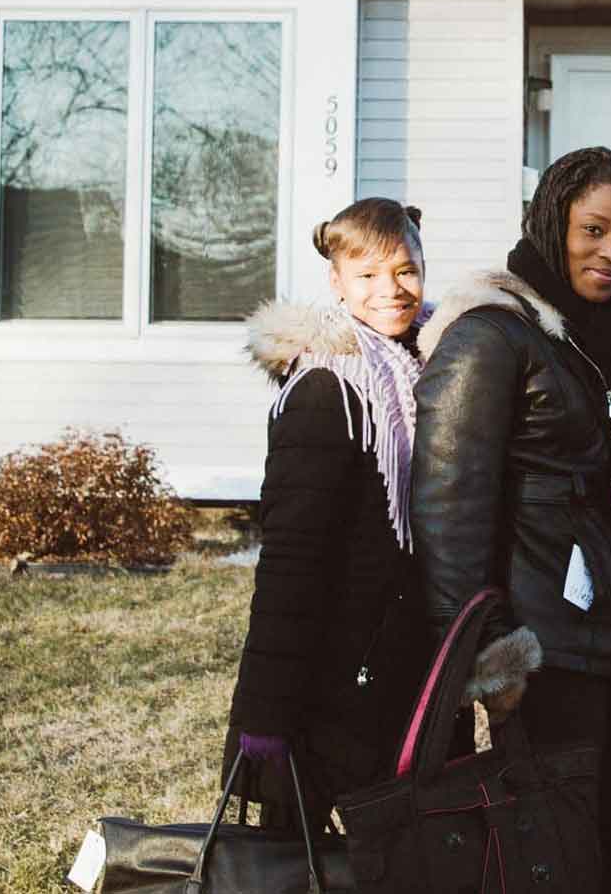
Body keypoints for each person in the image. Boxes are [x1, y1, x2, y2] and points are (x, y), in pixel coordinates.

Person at [411, 146, 611, 892]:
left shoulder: (590, 335)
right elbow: (446, 507)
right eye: (593, 230)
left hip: (597, 639)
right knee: (556, 850)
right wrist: (486, 659)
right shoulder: (490, 335)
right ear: (552, 225)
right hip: (537, 650)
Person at [225, 198, 433, 819]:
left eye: (405, 270)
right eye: (367, 274)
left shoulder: (429, 371)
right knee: (302, 861)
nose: (389, 290)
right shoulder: (327, 388)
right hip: (332, 684)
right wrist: (262, 718)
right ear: (337, 283)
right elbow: (290, 563)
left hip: (405, 669)